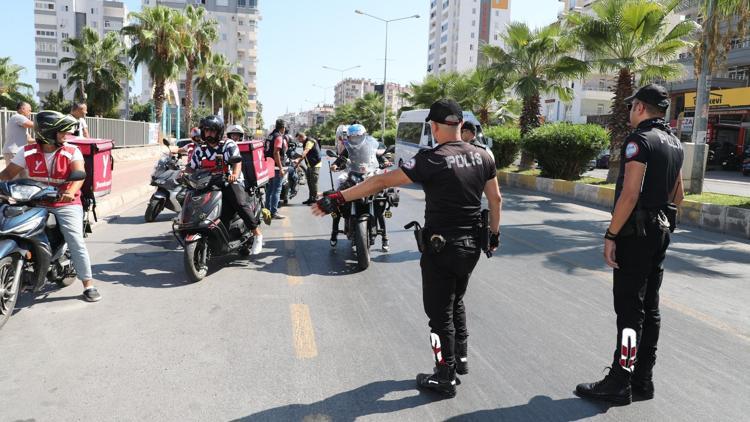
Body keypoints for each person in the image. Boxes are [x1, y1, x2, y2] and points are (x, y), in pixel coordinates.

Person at [313, 99, 502, 398]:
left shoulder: (432, 159)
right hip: (471, 248)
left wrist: (338, 198)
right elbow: (496, 201)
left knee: (439, 314)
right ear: (460, 125)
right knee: (457, 300)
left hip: (441, 248)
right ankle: (460, 360)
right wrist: (493, 236)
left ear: (435, 126)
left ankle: (445, 375)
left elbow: (381, 180)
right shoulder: (483, 156)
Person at [575, 84, 684, 406]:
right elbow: (677, 195)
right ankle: (643, 380)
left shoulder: (640, 141)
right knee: (650, 308)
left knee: (629, 309)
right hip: (660, 230)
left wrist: (611, 235)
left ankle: (619, 381)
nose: (629, 111)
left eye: (631, 106)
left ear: (639, 107)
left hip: (635, 234)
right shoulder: (675, 143)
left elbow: (630, 193)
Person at [0, 111, 102, 302]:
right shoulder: (27, 151)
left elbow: (79, 174)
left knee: (75, 240)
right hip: (35, 201)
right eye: (61, 132)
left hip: (65, 202)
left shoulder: (72, 151)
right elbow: (8, 173)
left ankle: (88, 284)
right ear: (48, 133)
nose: (66, 135)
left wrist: (70, 191)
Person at [187, 115, 263, 255]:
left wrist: (234, 174)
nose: (209, 134)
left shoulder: (228, 144)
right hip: (208, 183)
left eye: (212, 131)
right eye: (206, 131)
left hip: (229, 181)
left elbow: (237, 162)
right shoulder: (200, 149)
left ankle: (257, 234)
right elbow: (191, 167)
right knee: (191, 199)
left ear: (219, 132)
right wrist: (184, 173)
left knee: (238, 202)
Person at [328, 124, 391, 251]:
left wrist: (385, 161)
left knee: (381, 198)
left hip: (369, 174)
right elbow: (341, 158)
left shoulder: (370, 146)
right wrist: (335, 165)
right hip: (352, 174)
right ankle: (334, 232)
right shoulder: (348, 147)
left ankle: (385, 237)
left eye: (358, 137)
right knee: (338, 192)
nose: (355, 139)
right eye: (353, 137)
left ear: (363, 136)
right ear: (349, 137)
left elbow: (379, 156)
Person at [2, 101, 35, 178]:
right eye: (29, 110)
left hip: (16, 152)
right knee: (14, 178)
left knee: (23, 177)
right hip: (13, 152)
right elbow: (33, 125)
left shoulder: (20, 123)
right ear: (23, 109)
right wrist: (47, 125)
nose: (30, 112)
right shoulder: (18, 117)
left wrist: (40, 139)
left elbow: (29, 140)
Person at [264, 119, 287, 219]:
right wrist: (281, 168)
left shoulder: (270, 135)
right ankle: (274, 212)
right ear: (283, 128)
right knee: (277, 189)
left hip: (269, 164)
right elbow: (276, 152)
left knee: (269, 189)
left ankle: (267, 210)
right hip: (276, 166)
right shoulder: (278, 137)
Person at [294, 132, 321, 206]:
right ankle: (310, 198)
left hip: (315, 164)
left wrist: (298, 161)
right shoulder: (305, 141)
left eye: (299, 139)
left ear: (301, 137)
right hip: (310, 165)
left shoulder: (309, 141)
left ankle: (315, 199)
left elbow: (305, 152)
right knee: (309, 182)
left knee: (313, 183)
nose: (299, 141)